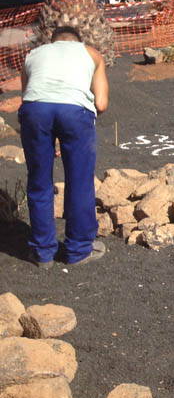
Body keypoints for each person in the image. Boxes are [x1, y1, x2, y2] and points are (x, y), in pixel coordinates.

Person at [18, 26, 108, 267]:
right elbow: (101, 103)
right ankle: (78, 250)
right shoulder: (91, 53)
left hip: (35, 111)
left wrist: (52, 134)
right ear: (78, 41)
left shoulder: (33, 55)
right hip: (75, 113)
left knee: (39, 181)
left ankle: (42, 252)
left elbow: (28, 96)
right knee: (79, 181)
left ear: (52, 42)